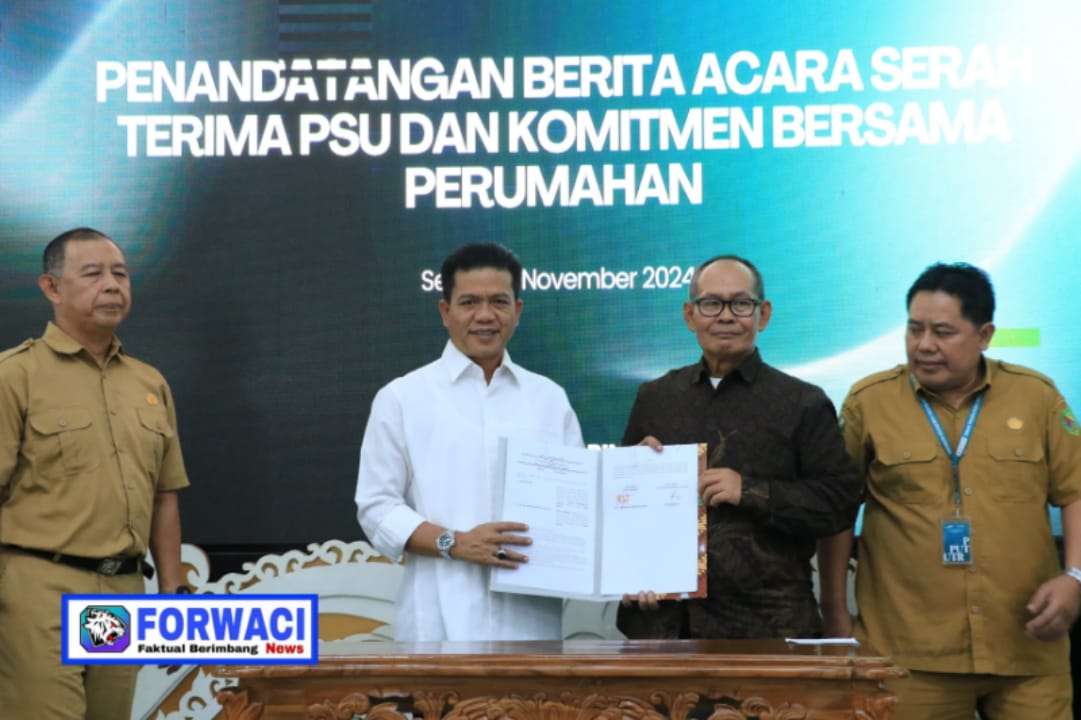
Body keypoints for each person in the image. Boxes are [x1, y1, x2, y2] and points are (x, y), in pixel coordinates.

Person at [820, 262, 1081, 719]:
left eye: (942, 332)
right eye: (914, 329)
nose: (924, 345)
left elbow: (1075, 490)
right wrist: (836, 611)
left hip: (1026, 647)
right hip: (908, 654)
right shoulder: (869, 402)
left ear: (984, 335)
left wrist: (1074, 576)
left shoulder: (1036, 397)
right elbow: (838, 509)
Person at [618, 254, 861, 639]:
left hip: (766, 630)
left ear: (763, 314)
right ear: (689, 315)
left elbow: (839, 504)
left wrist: (749, 491)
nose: (726, 316)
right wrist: (631, 574)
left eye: (741, 304)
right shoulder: (655, 398)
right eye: (711, 304)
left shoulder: (803, 402)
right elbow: (622, 513)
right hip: (664, 627)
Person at [0, 227, 190, 720]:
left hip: (122, 591)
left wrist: (173, 592)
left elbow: (164, 495)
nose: (111, 285)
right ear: (51, 287)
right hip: (40, 587)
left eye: (120, 274)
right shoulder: (14, 376)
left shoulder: (149, 382)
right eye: (93, 274)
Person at [354, 243, 583, 641]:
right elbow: (376, 507)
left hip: (532, 627)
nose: (485, 316)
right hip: (436, 626)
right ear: (446, 312)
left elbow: (578, 503)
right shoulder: (402, 398)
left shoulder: (549, 399)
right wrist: (455, 543)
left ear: (517, 311)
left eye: (499, 302)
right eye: (469, 302)